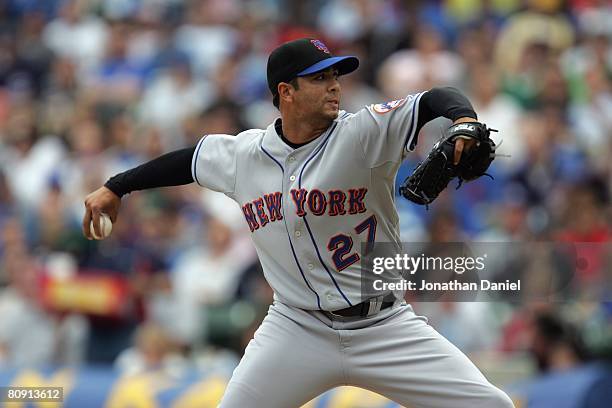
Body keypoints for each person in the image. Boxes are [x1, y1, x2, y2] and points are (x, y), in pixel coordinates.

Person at [83, 38, 514, 407]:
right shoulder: (243, 155)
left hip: (384, 325)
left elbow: (435, 97)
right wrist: (116, 186)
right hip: (296, 329)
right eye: (320, 78)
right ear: (286, 92)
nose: (334, 87)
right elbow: (186, 162)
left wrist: (464, 119)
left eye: (336, 77)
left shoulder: (362, 133)